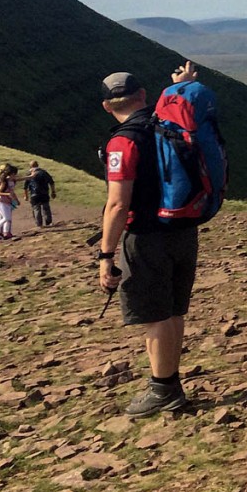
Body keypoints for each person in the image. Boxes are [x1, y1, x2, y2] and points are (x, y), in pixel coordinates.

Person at [98, 61, 200, 417]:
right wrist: (182, 84)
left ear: (107, 107)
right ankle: (169, 383)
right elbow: (173, 103)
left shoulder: (123, 142)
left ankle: (163, 390)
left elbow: (117, 203)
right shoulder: (166, 123)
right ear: (142, 95)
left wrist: (105, 255)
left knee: (155, 316)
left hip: (146, 237)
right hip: (183, 230)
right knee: (172, 310)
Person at [0, 163, 20, 240]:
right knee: (6, 218)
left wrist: (16, 200)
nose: (15, 176)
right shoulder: (4, 182)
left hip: (8, 202)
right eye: (14, 174)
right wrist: (7, 194)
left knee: (8, 218)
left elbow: (12, 192)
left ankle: (7, 233)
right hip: (1, 202)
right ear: (11, 174)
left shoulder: (12, 182)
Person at [24, 160, 57, 227]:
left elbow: (25, 186)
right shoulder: (44, 172)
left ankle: (39, 224)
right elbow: (51, 182)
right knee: (46, 208)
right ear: (38, 165)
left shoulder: (29, 173)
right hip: (44, 193)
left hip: (34, 194)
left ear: (30, 166)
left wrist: (26, 195)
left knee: (36, 209)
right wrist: (53, 192)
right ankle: (48, 223)